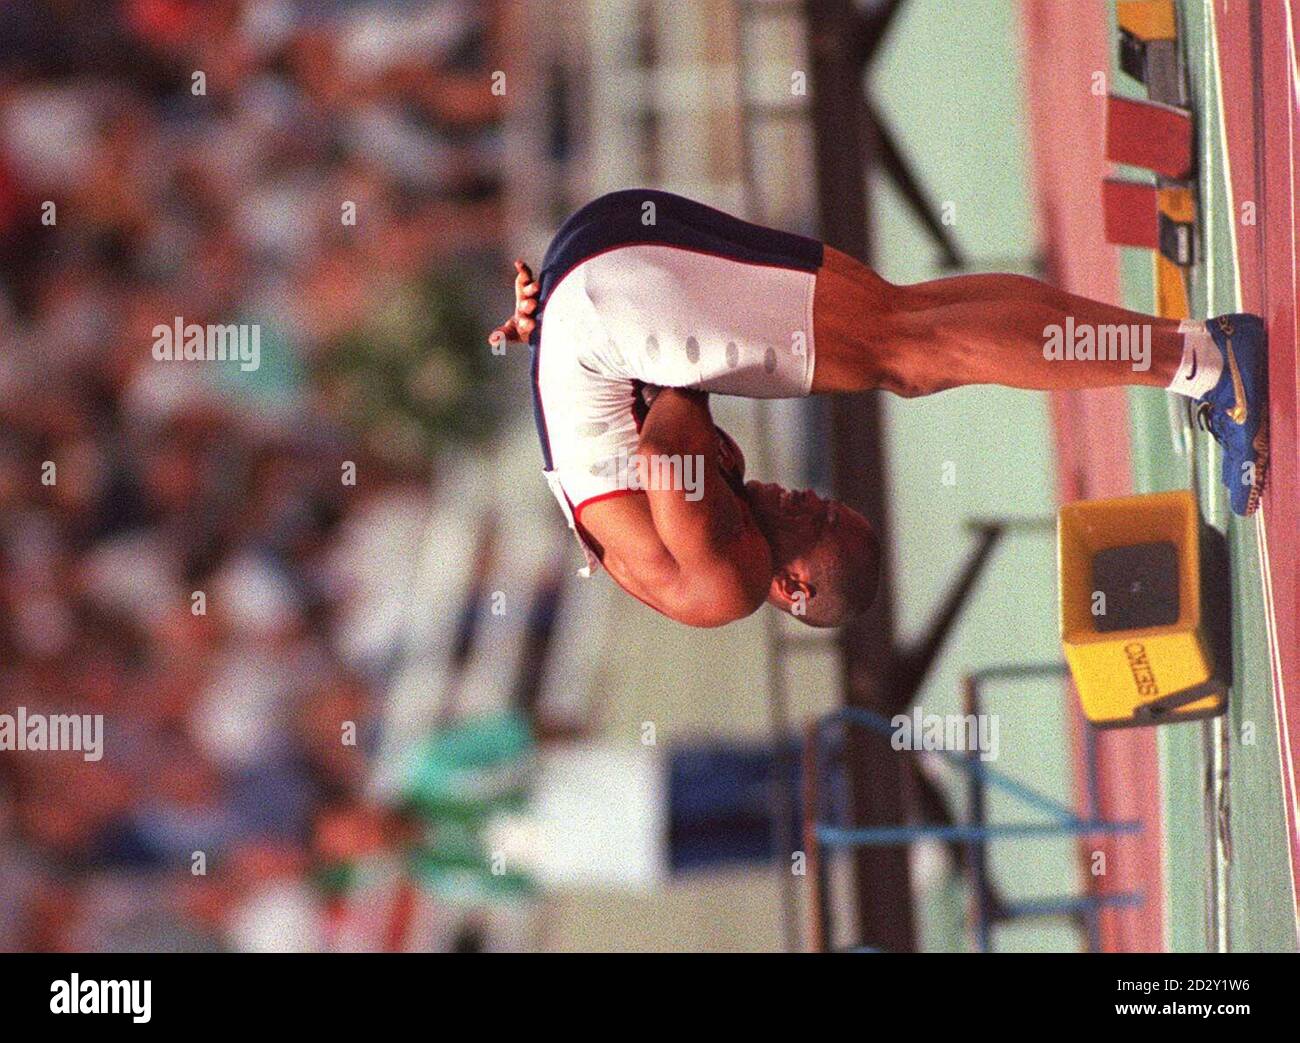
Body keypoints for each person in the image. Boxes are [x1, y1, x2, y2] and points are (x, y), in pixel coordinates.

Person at [490, 190, 1269, 628]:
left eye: (818, 515)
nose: (804, 496)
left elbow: (667, 456)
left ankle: (1202, 362)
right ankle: (1194, 349)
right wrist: (560, 324)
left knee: (906, 351)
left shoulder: (720, 582)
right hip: (596, 253)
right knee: (909, 330)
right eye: (827, 506)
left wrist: (637, 362)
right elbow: (639, 441)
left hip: (608, 301)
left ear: (792, 589)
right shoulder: (710, 561)